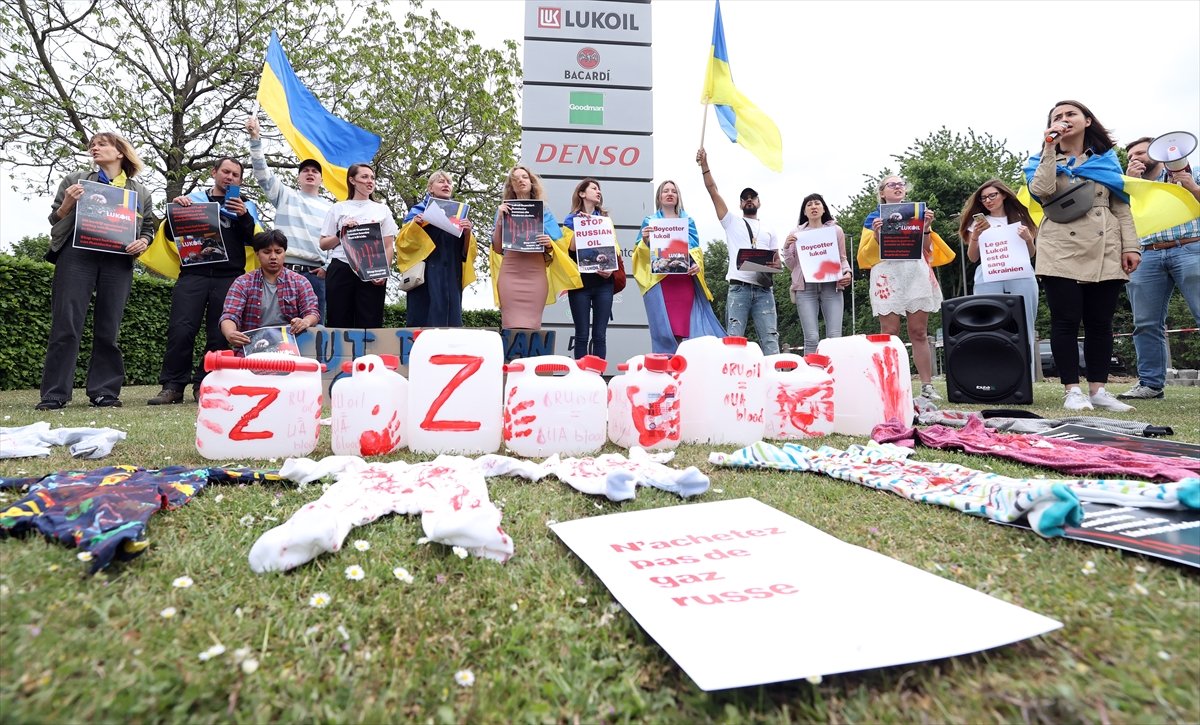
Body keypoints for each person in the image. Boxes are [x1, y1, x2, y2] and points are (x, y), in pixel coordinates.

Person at [1026, 100, 1139, 412]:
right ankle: (1072, 389)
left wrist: (1131, 246)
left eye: (1070, 114)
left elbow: (1121, 207)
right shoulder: (1040, 159)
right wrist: (1049, 149)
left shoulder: (1107, 161)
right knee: (1065, 320)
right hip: (1059, 245)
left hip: (1106, 244)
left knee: (1100, 322)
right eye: (1057, 116)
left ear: (1087, 120)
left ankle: (1099, 389)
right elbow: (1042, 191)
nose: (1064, 119)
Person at [36, 132, 155, 410]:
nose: (94, 147)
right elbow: (54, 217)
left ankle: (104, 392)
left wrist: (144, 241)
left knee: (108, 327)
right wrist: (68, 203)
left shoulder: (140, 192)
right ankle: (54, 394)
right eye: (92, 144)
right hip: (77, 255)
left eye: (102, 143)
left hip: (118, 260)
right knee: (66, 323)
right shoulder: (76, 180)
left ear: (120, 153)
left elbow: (148, 227)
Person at [148, 157, 259, 405]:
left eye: (235, 175)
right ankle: (173, 386)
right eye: (226, 172)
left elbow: (255, 242)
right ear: (214, 172)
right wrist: (176, 212)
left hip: (230, 277)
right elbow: (168, 235)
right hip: (193, 274)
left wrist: (243, 217)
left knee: (220, 335)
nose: (230, 177)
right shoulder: (192, 200)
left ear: (240, 180)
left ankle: (206, 383)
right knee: (181, 329)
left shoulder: (245, 206)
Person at [1117, 135, 1200, 400]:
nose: (1135, 159)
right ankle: (1150, 385)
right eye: (1130, 157)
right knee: (1145, 323)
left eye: (1141, 153)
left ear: (1157, 154)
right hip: (1148, 254)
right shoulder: (1128, 186)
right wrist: (1130, 186)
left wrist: (1193, 189)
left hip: (1190, 247)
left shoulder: (1191, 172)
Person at [859, 175, 943, 400]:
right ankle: (890, 386)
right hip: (887, 274)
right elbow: (866, 255)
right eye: (891, 185)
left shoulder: (918, 213)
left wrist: (926, 227)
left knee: (919, 332)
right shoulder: (873, 218)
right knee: (889, 333)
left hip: (914, 272)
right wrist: (877, 234)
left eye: (901, 184)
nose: (897, 187)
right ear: (882, 193)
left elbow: (927, 249)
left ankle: (926, 386)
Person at [246, 117, 332, 324]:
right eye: (305, 171)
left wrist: (327, 267)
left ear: (321, 179)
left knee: (314, 332)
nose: (310, 174)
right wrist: (255, 138)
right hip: (282, 269)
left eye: (315, 171)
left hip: (315, 275)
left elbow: (338, 242)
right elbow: (262, 174)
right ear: (298, 178)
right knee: (277, 326)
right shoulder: (285, 195)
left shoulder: (331, 208)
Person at [696, 147, 780, 354]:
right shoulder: (731, 222)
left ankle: (776, 379)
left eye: (753, 197)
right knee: (734, 338)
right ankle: (732, 379)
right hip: (739, 288)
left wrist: (764, 264)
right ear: (740, 203)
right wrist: (705, 165)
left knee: (770, 338)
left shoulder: (769, 229)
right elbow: (713, 191)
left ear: (759, 202)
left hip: (763, 289)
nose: (749, 199)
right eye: (745, 198)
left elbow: (777, 263)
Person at [632, 180, 725, 353]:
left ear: (678, 197)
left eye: (673, 191)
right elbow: (639, 254)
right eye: (665, 191)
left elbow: (696, 250)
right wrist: (645, 241)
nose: (669, 194)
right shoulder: (649, 221)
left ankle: (682, 367)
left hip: (683, 282)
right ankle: (665, 368)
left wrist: (696, 265)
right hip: (660, 283)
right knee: (663, 329)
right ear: (659, 197)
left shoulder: (687, 221)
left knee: (682, 329)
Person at [957, 179, 1039, 356]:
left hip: (1020, 274)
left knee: (1025, 322)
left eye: (992, 195)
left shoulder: (1020, 219)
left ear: (1003, 195)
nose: (988, 200)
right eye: (983, 198)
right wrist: (976, 236)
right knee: (988, 322)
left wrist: (1028, 239)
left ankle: (1027, 372)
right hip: (989, 275)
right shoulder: (979, 223)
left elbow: (1031, 254)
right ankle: (994, 370)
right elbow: (972, 257)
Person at [319, 163, 398, 329]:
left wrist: (383, 272)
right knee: (338, 321)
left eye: (372, 178)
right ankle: (340, 355)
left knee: (370, 323)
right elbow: (323, 244)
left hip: (371, 269)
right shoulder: (338, 208)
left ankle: (369, 355)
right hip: (341, 267)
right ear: (352, 180)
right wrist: (342, 232)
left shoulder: (382, 209)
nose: (370, 181)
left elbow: (389, 246)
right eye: (364, 177)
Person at [490, 166, 566, 332]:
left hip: (535, 273)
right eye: (515, 178)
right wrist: (501, 219)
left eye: (524, 177)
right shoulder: (504, 209)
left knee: (533, 327)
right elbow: (496, 247)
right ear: (511, 186)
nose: (520, 180)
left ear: (531, 182)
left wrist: (549, 243)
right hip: (511, 273)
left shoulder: (544, 211)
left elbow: (559, 244)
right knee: (510, 327)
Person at [397, 171, 475, 327]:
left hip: (452, 274)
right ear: (430, 188)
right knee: (424, 318)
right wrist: (416, 226)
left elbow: (466, 253)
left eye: (449, 182)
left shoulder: (459, 214)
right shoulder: (417, 211)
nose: (446, 185)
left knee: (451, 322)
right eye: (441, 182)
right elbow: (402, 243)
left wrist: (467, 233)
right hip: (426, 274)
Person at [219, 230, 320, 350]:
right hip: (252, 345)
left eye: (278, 252)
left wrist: (305, 322)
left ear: (284, 253)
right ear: (257, 254)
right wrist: (230, 333)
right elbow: (230, 315)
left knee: (320, 329)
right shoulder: (243, 282)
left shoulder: (300, 281)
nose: (273, 257)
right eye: (266, 252)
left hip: (291, 344)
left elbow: (312, 312)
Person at [782, 193, 851, 355]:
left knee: (834, 337)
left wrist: (847, 272)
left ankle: (835, 376)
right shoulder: (796, 234)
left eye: (817, 204)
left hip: (831, 286)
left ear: (823, 208)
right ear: (804, 212)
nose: (813, 207)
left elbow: (842, 258)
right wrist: (786, 247)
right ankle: (811, 378)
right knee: (811, 338)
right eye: (809, 205)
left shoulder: (836, 231)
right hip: (805, 288)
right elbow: (792, 266)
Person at [563, 177, 616, 359]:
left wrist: (610, 269)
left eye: (599, 189)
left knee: (600, 336)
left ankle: (598, 378)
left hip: (604, 283)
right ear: (582, 193)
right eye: (594, 188)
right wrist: (583, 225)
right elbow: (571, 247)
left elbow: (613, 250)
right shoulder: (570, 220)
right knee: (582, 335)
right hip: (580, 284)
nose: (598, 191)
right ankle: (580, 381)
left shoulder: (605, 220)